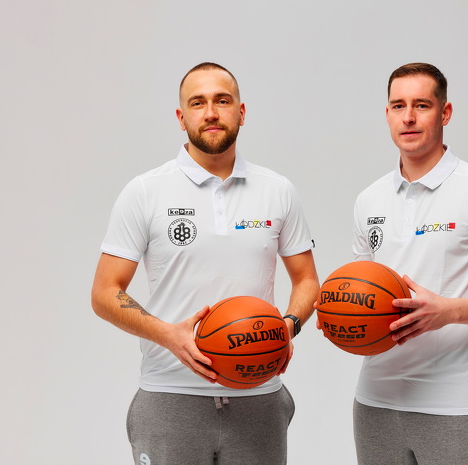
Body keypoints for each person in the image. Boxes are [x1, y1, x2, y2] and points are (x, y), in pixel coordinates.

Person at [91, 62, 319, 465]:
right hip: (170, 396)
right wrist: (168, 336)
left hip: (258, 396)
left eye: (222, 100)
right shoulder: (144, 192)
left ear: (241, 112)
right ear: (182, 118)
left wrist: (287, 327)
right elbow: (105, 293)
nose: (211, 112)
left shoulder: (278, 190)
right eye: (198, 103)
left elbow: (306, 281)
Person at [351, 63, 468, 464]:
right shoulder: (369, 200)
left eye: (421, 105)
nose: (408, 117)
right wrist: (342, 318)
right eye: (398, 106)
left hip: (459, 407)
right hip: (376, 403)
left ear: (445, 112)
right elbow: (363, 291)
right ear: (387, 114)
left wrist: (448, 311)